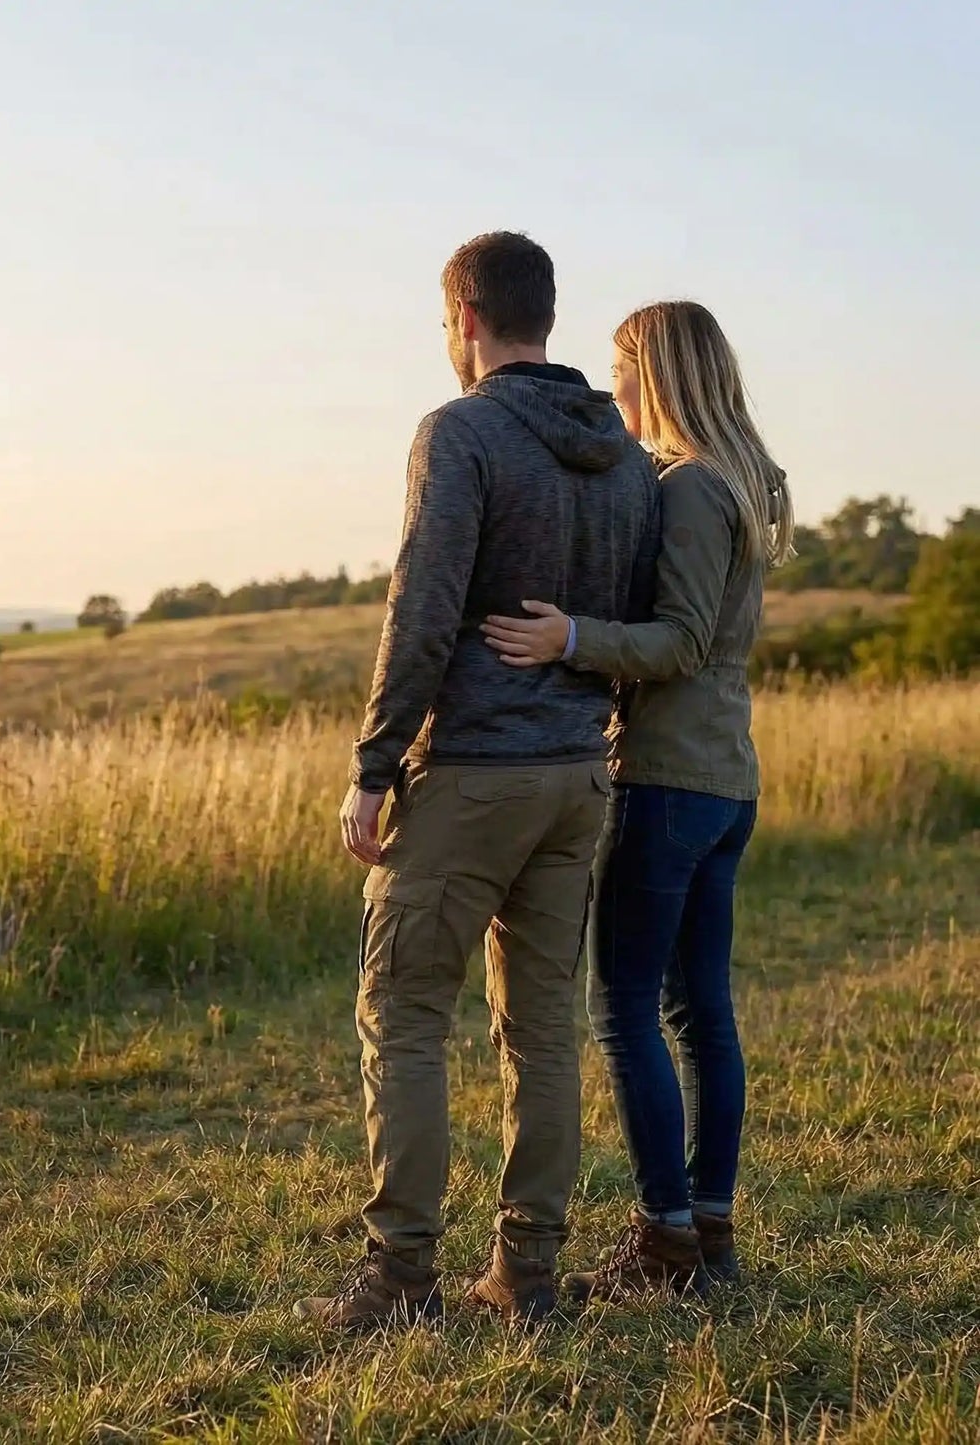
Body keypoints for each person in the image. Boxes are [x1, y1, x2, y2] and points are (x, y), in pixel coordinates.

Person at [293, 232, 660, 1332]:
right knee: (540, 1028)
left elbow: (423, 603)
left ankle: (401, 1274)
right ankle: (527, 1270)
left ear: (462, 317)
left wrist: (372, 763)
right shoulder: (628, 455)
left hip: (471, 773)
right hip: (574, 776)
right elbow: (635, 620)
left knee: (401, 1010)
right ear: (542, 312)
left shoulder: (458, 431)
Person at [482, 300, 794, 1303]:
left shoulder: (695, 487)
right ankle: (706, 1232)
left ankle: (665, 1240)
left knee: (624, 1006)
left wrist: (568, 636)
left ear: (651, 374)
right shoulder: (744, 479)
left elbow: (680, 640)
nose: (611, 392)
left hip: (669, 779)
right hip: (722, 777)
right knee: (699, 1010)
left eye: (619, 372)